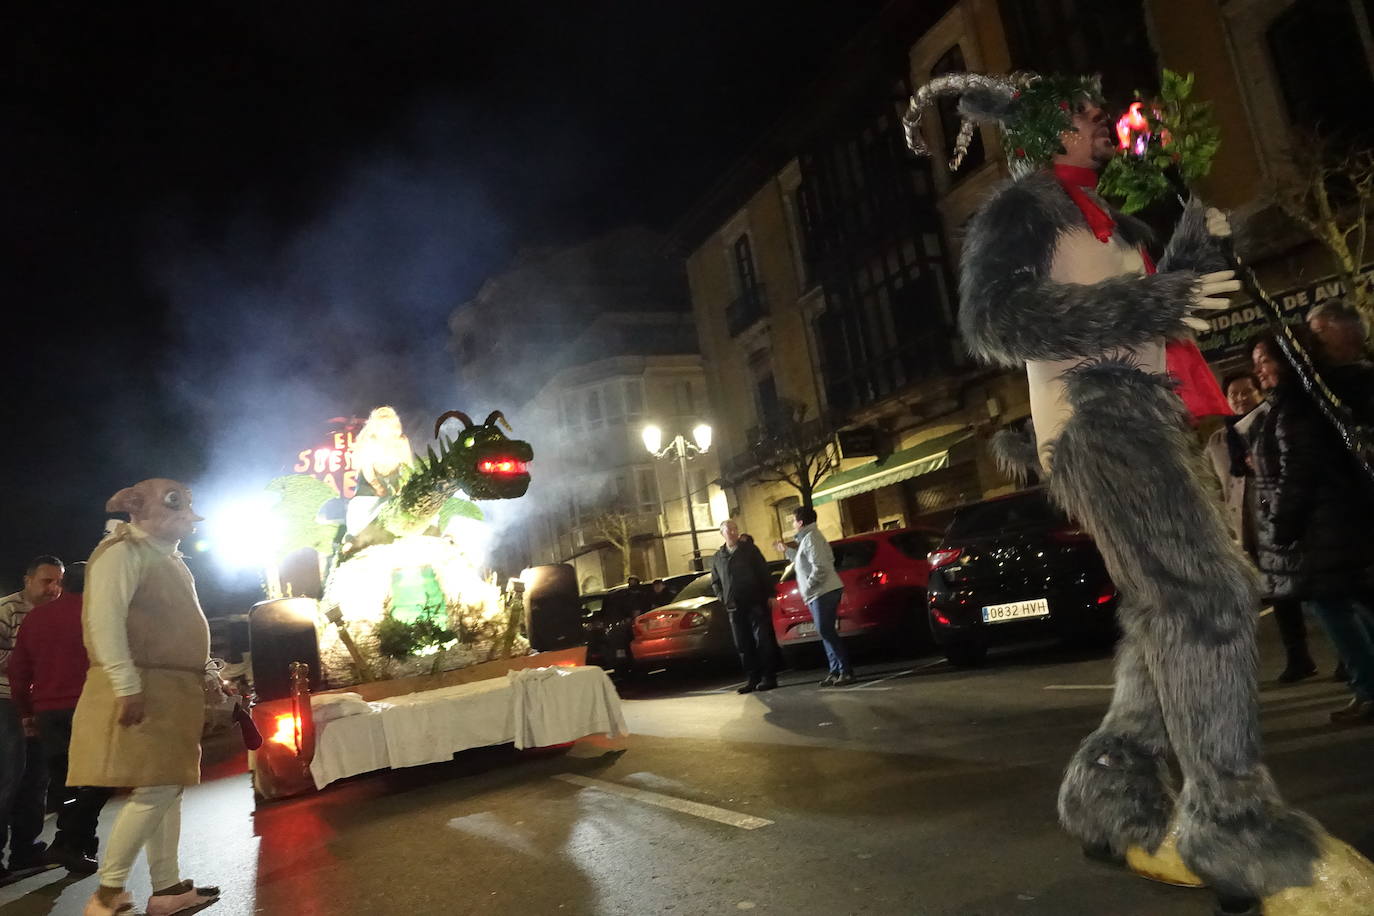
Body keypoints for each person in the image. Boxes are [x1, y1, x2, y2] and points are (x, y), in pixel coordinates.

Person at [905, 70, 1334, 910]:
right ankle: (1231, 825)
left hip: (1143, 416)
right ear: (1041, 128)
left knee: (1166, 608)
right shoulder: (1020, 208)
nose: (1104, 118)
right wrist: (1154, 296)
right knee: (1207, 598)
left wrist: (1193, 247)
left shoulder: (1111, 213)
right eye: (1085, 111)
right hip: (1094, 423)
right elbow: (997, 319)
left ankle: (1111, 786)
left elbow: (1155, 311)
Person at [71, 479, 220, 916]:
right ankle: (107, 894)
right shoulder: (122, 552)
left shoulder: (166, 557)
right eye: (175, 509)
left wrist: (208, 673)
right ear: (139, 510)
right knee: (158, 787)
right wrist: (127, 685)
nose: (186, 519)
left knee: (167, 785)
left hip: (170, 685)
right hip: (147, 684)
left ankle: (167, 888)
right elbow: (105, 623)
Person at [1250, 334, 1374, 725]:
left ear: (1287, 361)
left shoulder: (1296, 407)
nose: (1259, 371)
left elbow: (1299, 470)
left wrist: (1281, 522)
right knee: (1348, 603)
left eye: (1264, 361)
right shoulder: (1294, 402)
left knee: (1332, 606)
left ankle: (1369, 688)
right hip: (1325, 526)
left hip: (1318, 529)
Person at [1206, 373, 1319, 684]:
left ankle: (1345, 658)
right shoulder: (1218, 442)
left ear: (1260, 393)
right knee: (1279, 596)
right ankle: (1298, 657)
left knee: (1313, 593)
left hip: (1284, 524)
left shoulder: (1274, 428)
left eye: (1247, 391)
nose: (1241, 398)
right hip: (1248, 530)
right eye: (1234, 393)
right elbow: (1214, 487)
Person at [9, 562, 111, 874]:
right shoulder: (98, 615)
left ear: (65, 584)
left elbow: (17, 671)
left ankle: (78, 849)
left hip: (48, 714)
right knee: (100, 779)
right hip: (89, 707)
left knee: (66, 783)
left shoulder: (36, 618)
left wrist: (27, 711)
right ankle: (70, 842)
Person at [0, 555, 63, 878]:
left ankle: (26, 849)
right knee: (8, 776)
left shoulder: (55, 613)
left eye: (58, 582)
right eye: (46, 581)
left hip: (40, 704)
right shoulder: (8, 609)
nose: (54, 588)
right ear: (28, 580)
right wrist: (28, 657)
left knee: (37, 778)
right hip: (6, 701)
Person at [775, 507, 851, 686]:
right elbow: (804, 562)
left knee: (826, 631)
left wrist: (808, 588)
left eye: (794, 521)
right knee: (825, 632)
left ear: (801, 522)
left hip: (822, 592)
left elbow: (821, 567)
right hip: (818, 592)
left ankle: (845, 670)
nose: (793, 525)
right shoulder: (808, 538)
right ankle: (835, 671)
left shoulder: (812, 538)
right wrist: (786, 550)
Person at [710, 519, 778, 693]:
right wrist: (723, 597)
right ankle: (752, 678)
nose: (733, 532)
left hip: (755, 602)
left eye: (735, 529)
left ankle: (768, 677)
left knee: (762, 640)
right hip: (734, 605)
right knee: (743, 643)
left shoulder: (750, 550)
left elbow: (763, 572)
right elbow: (716, 582)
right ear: (722, 533)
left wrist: (770, 594)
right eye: (729, 530)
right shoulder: (718, 557)